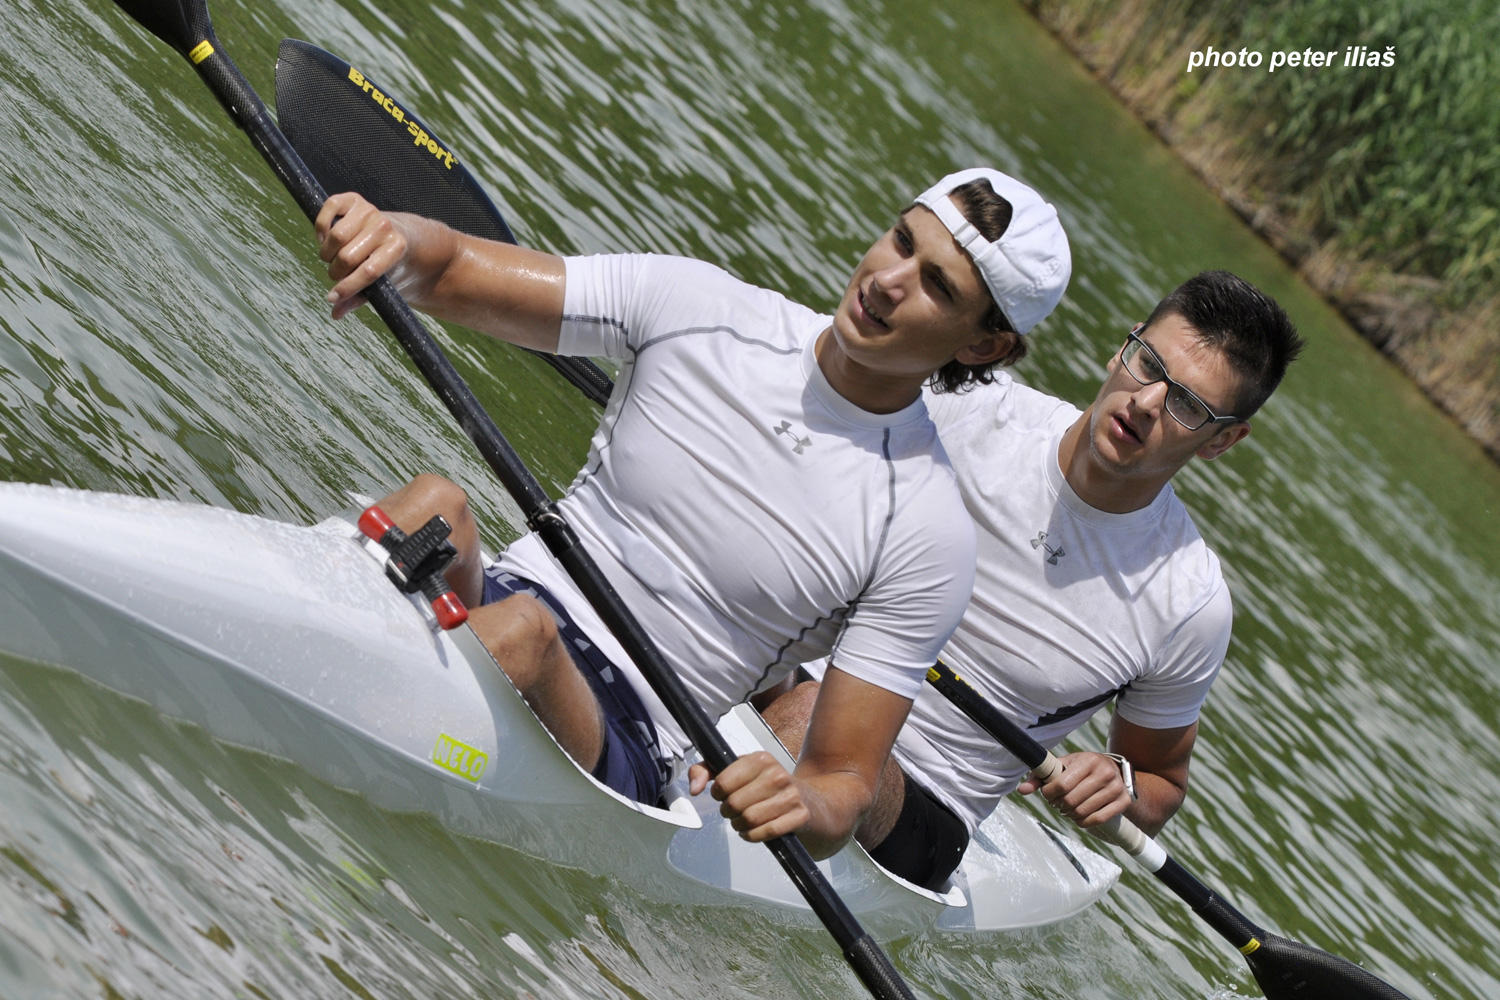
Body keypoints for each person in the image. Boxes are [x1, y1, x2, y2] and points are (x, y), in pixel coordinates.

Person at [313, 167, 1071, 859]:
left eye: (935, 283)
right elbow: (448, 270)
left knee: (527, 635)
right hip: (512, 597)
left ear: (983, 344)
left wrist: (798, 799)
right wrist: (396, 239)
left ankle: (326, 790)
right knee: (437, 505)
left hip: (632, 742)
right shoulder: (706, 309)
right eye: (901, 240)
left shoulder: (925, 531)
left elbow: (845, 781)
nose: (888, 279)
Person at [761, 270, 1303, 889]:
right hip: (788, 680)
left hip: (923, 801)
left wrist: (1120, 784)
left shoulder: (1189, 604)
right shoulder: (969, 411)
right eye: (1148, 364)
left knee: (808, 715)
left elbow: (1162, 784)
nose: (1147, 402)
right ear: (1123, 346)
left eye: (1188, 405)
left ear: (1223, 440)